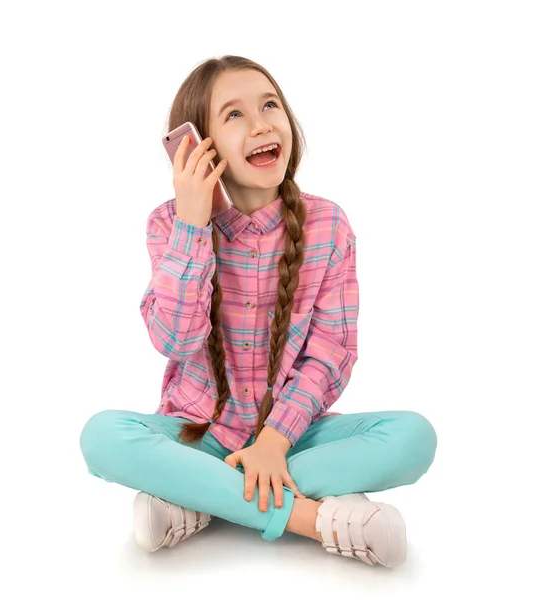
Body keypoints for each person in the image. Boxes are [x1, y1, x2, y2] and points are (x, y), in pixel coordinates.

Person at [79, 55, 438, 568]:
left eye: (270, 104)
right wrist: (192, 224)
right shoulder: (169, 224)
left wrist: (274, 440)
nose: (263, 123)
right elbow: (175, 341)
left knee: (413, 436)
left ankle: (196, 498)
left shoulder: (327, 224)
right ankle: (312, 518)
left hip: (294, 438)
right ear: (197, 147)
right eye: (234, 115)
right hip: (197, 433)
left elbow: (331, 355)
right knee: (102, 436)